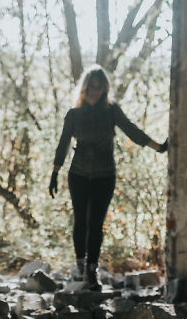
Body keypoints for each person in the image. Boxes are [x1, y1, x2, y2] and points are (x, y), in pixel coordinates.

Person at [49, 65, 167, 288]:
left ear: (105, 88)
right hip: (79, 174)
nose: (95, 91)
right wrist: (54, 173)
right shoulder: (74, 114)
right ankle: (80, 268)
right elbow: (63, 144)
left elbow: (132, 131)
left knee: (96, 223)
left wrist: (158, 147)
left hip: (104, 175)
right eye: (91, 87)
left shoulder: (111, 111)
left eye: (99, 87)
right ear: (84, 88)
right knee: (81, 221)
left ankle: (91, 272)